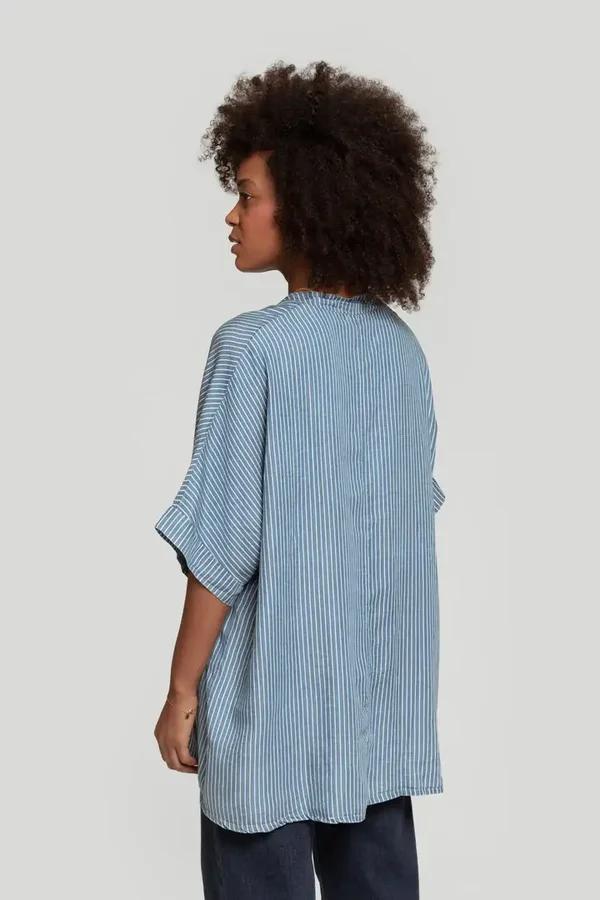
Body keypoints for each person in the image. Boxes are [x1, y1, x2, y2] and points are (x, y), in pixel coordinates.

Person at [153, 59, 446, 900]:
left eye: (247, 195)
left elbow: (223, 541)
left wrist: (181, 688)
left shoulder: (253, 349)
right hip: (375, 720)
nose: (232, 215)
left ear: (309, 206)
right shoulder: (401, 353)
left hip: (271, 717)